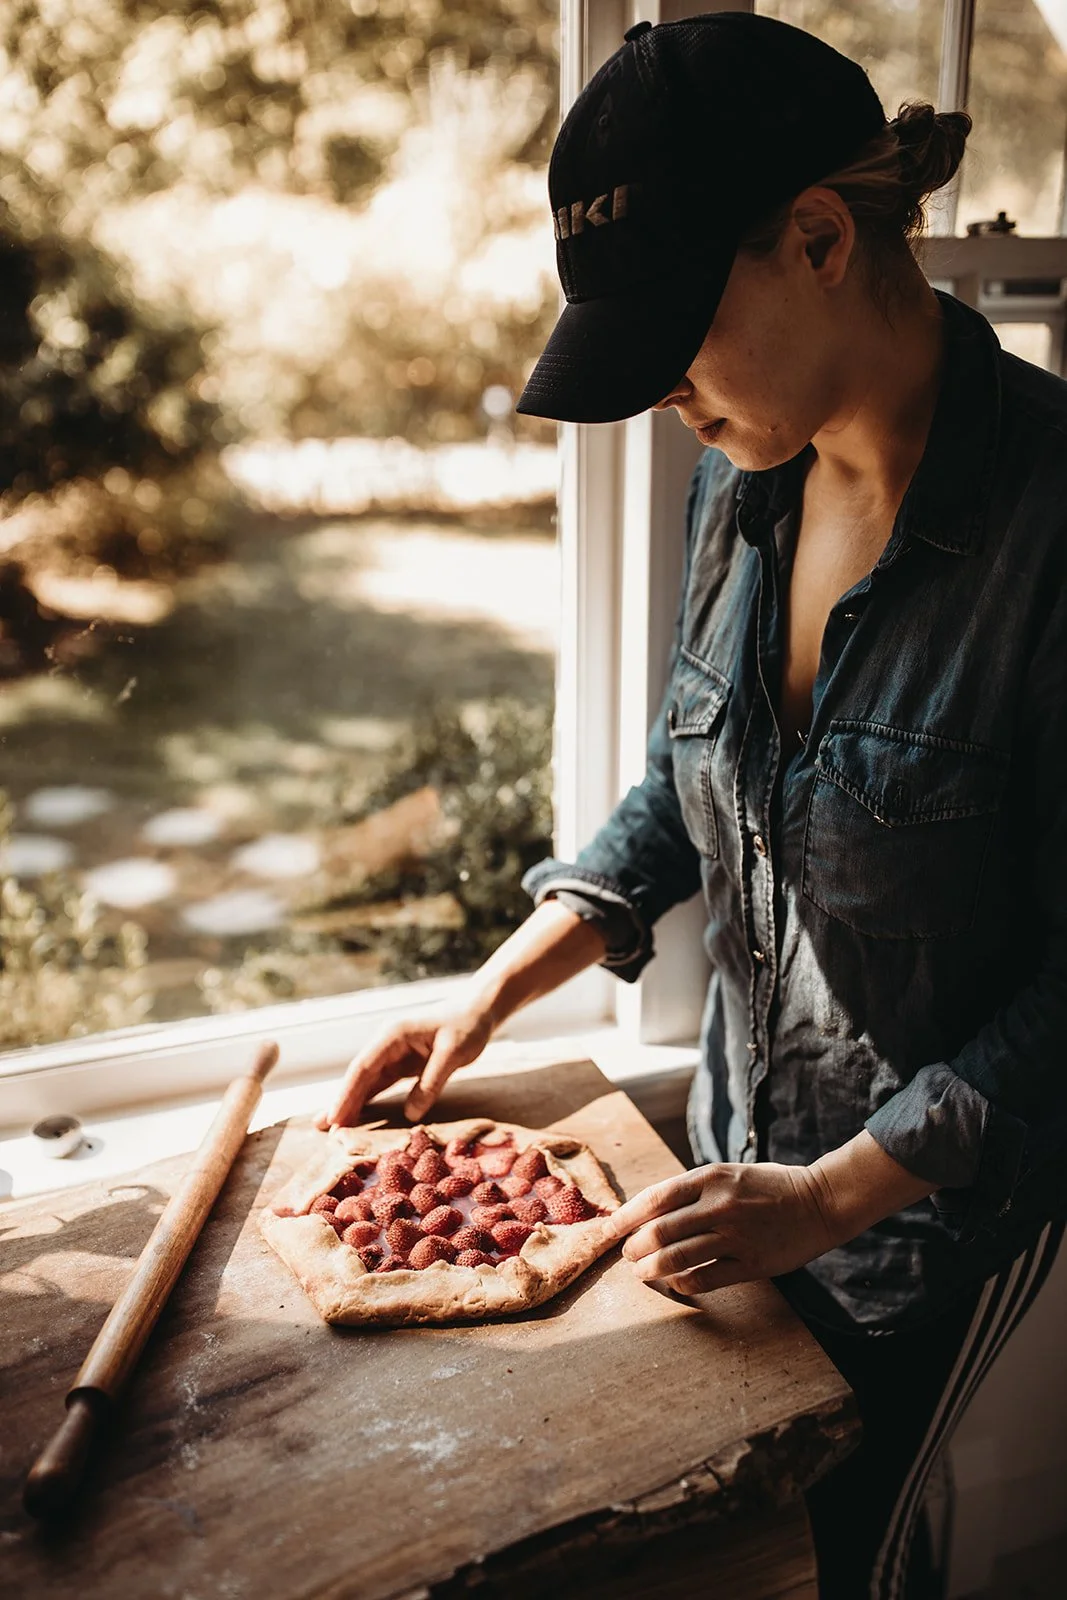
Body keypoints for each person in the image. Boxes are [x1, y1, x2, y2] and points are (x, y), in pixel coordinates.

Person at [319, 16, 1067, 1599]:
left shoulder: (1053, 534)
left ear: (815, 240)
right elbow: (697, 766)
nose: (659, 393)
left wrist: (835, 1197)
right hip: (738, 1192)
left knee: (856, 1566)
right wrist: (510, 973)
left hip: (941, 1249)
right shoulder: (745, 478)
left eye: (673, 329)